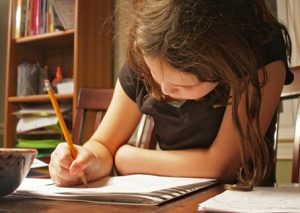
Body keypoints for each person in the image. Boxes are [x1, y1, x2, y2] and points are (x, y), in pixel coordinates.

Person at [49, 0, 293, 190]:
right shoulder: (147, 57)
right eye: (156, 77)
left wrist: (126, 158)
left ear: (224, 66)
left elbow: (223, 166)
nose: (164, 91)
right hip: (170, 201)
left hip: (239, 201)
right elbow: (103, 145)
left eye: (182, 86)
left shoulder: (259, 54)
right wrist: (85, 159)